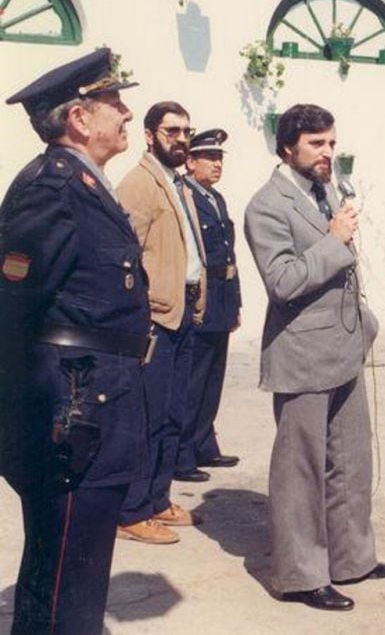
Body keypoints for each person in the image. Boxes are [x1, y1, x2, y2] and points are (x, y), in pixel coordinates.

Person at [1, 48, 150, 634]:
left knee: (70, 570)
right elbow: (12, 306)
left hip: (93, 404)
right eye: (115, 102)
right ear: (80, 119)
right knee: (67, 573)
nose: (127, 113)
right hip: (71, 412)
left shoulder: (88, 183)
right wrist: (31, 415)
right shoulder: (53, 187)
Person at [244, 103, 385, 612]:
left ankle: (353, 558)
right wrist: (334, 241)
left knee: (351, 459)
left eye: (331, 142)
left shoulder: (324, 190)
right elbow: (283, 281)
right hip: (302, 352)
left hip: (344, 345)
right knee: (301, 468)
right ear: (288, 147)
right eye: (316, 144)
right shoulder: (266, 205)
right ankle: (302, 575)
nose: (328, 153)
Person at [115, 101, 206, 544]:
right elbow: (123, 257)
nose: (183, 138)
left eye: (187, 130)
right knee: (147, 417)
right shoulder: (139, 184)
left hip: (184, 311)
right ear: (150, 135)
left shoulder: (179, 183)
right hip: (155, 317)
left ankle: (157, 498)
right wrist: (140, 314)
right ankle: (131, 510)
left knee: (174, 413)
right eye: (173, 131)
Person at [178, 129, 241, 476]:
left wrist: (237, 301)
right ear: (190, 161)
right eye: (209, 158)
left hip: (222, 295)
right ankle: (182, 453)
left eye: (219, 159)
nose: (217, 164)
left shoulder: (216, 199)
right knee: (193, 379)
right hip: (201, 296)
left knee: (213, 376)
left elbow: (229, 254)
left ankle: (205, 444)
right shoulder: (185, 196)